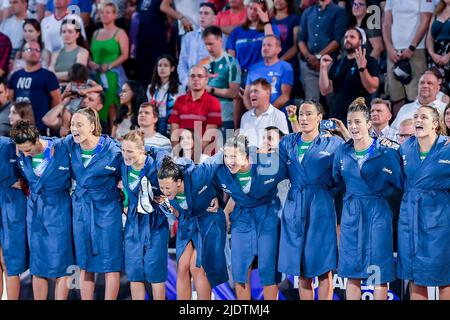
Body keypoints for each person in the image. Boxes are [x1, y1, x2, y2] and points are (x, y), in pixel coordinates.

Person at [332, 97, 404, 300]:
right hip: (351, 215)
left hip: (378, 215)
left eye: (358, 122)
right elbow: (335, 182)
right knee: (352, 273)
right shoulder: (342, 151)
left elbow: (401, 185)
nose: (353, 127)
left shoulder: (386, 151)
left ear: (368, 124)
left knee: (378, 274)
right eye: (350, 122)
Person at [277, 100, 343, 300]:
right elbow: (275, 174)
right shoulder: (287, 142)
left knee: (324, 268)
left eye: (308, 114)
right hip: (294, 205)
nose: (303, 118)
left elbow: (342, 175)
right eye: (301, 114)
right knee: (302, 269)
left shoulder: (334, 143)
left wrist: (324, 191)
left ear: (319, 118)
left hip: (320, 206)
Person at [10, 120, 74, 300]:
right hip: (35, 211)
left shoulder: (60, 148)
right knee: (38, 265)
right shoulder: (22, 155)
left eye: (28, 149)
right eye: (22, 150)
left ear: (37, 138)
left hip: (59, 209)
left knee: (62, 264)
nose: (25, 154)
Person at [65, 107, 123, 300]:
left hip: (107, 211)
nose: (74, 128)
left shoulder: (113, 150)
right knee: (84, 263)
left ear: (92, 126)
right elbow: (46, 146)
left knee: (110, 264)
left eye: (79, 125)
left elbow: (132, 170)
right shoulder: (69, 144)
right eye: (72, 124)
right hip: (81, 209)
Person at [397, 105, 450, 300]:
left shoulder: (447, 147)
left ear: (436, 124)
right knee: (415, 275)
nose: (418, 120)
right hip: (410, 218)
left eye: (423, 117)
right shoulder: (405, 147)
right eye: (416, 116)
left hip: (440, 219)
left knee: (444, 276)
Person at [157, 156, 228, 300]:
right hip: (187, 222)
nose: (165, 191)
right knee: (182, 267)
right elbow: (177, 214)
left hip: (209, 219)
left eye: (168, 188)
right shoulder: (164, 179)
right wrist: (167, 208)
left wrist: (217, 196)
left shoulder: (198, 175)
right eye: (162, 187)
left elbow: (219, 158)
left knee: (197, 268)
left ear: (179, 182)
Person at [121, 130, 171, 300]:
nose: (125, 155)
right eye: (123, 150)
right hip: (133, 223)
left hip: (155, 222)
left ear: (142, 150)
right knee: (135, 273)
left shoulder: (156, 165)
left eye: (130, 151)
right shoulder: (123, 165)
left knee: (155, 273)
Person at [383, 0, 433, 115]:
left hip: (416, 51)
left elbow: (425, 20)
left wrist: (412, 47)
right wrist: (389, 48)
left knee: (417, 97)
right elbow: (386, 22)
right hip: (393, 53)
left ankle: (418, 130)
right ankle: (398, 130)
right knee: (396, 97)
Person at [319, 27, 380, 122]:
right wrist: (323, 68)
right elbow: (325, 90)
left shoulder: (370, 61)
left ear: (360, 41)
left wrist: (362, 68)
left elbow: (372, 88)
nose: (348, 39)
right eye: (346, 37)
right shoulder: (338, 63)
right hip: (336, 116)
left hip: (358, 117)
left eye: (352, 37)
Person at [89, 0, 129, 132]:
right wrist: (92, 63)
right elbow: (91, 54)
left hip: (113, 74)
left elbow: (125, 54)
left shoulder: (120, 32)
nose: (104, 15)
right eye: (102, 12)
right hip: (97, 75)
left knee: (112, 104)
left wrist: (109, 65)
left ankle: (113, 135)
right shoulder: (95, 33)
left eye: (108, 12)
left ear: (115, 15)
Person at [298, 0, 347, 101]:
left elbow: (337, 40)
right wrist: (309, 57)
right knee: (311, 102)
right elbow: (300, 39)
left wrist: (318, 56)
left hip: (330, 62)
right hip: (309, 65)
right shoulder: (308, 11)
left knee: (332, 99)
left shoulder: (338, 11)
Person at [8, 40, 61, 133]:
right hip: (18, 126)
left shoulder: (48, 75)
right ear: (22, 54)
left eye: (37, 50)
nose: (34, 52)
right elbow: (10, 99)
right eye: (30, 49)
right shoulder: (15, 76)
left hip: (40, 126)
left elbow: (57, 101)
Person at [168, 65, 222, 155]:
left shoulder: (214, 102)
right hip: (182, 154)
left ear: (206, 79)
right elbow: (174, 131)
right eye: (192, 76)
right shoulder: (179, 100)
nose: (196, 79)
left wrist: (192, 157)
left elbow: (209, 135)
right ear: (188, 79)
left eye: (200, 76)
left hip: (205, 157)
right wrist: (178, 155)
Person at [0, 133, 27, 300]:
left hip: (11, 204)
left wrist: (24, 183)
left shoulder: (9, 144)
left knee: (9, 262)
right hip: (10, 201)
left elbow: (30, 166)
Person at [201, 25, 241, 131]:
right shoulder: (202, 63)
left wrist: (210, 89)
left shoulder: (231, 62)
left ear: (220, 40)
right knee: (200, 148)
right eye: (206, 44)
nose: (208, 48)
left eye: (211, 43)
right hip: (204, 117)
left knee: (223, 147)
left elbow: (234, 93)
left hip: (224, 118)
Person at [244, 35, 293, 110]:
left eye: (269, 45)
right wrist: (253, 113)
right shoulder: (253, 68)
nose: (265, 48)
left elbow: (285, 96)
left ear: (278, 49)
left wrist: (266, 113)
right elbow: (246, 95)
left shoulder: (285, 67)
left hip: (277, 115)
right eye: (263, 45)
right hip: (256, 117)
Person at [178, 2, 218, 90]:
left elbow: (221, 66)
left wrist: (209, 85)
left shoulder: (221, 39)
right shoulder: (189, 37)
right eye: (200, 13)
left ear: (214, 18)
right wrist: (187, 82)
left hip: (211, 87)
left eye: (206, 13)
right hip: (190, 87)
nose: (202, 16)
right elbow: (182, 64)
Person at [240, 78, 289, 148]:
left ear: (268, 92)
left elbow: (284, 144)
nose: (251, 95)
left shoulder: (279, 115)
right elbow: (242, 144)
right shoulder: (245, 117)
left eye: (255, 91)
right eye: (251, 92)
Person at [147, 54, 181, 137]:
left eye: (166, 66)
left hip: (172, 128)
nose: (162, 68)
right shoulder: (150, 88)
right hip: (154, 127)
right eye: (160, 65)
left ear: (172, 68)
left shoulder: (179, 89)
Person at [48, 18, 89, 84]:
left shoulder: (83, 52)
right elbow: (49, 74)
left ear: (77, 34)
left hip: (74, 90)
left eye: (70, 32)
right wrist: (66, 74)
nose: (66, 35)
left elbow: (76, 74)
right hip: (56, 89)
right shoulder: (55, 53)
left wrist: (55, 75)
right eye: (64, 32)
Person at [427, 0, 450, 95]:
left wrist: (448, 56)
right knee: (437, 94)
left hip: (448, 56)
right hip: (435, 59)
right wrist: (432, 54)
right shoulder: (437, 11)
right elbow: (429, 37)